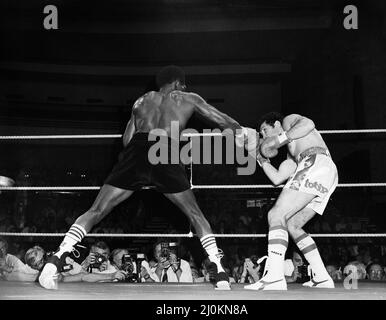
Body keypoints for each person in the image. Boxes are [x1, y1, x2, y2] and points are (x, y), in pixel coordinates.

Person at [39, 65, 251, 290]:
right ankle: (219, 273)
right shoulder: (187, 97)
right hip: (165, 149)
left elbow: (127, 139)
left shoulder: (141, 101)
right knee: (194, 213)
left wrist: (137, 167)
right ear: (178, 83)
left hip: (137, 151)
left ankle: (54, 261)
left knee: (96, 210)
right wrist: (240, 131)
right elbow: (217, 117)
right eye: (184, 83)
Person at [244, 112, 338, 290]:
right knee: (292, 224)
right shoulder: (292, 154)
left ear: (277, 124)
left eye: (264, 129)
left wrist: (278, 139)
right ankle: (322, 276)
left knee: (276, 214)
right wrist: (259, 157)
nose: (264, 136)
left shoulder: (288, 120)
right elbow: (278, 178)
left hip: (315, 162)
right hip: (320, 169)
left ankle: (274, 276)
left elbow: (309, 124)